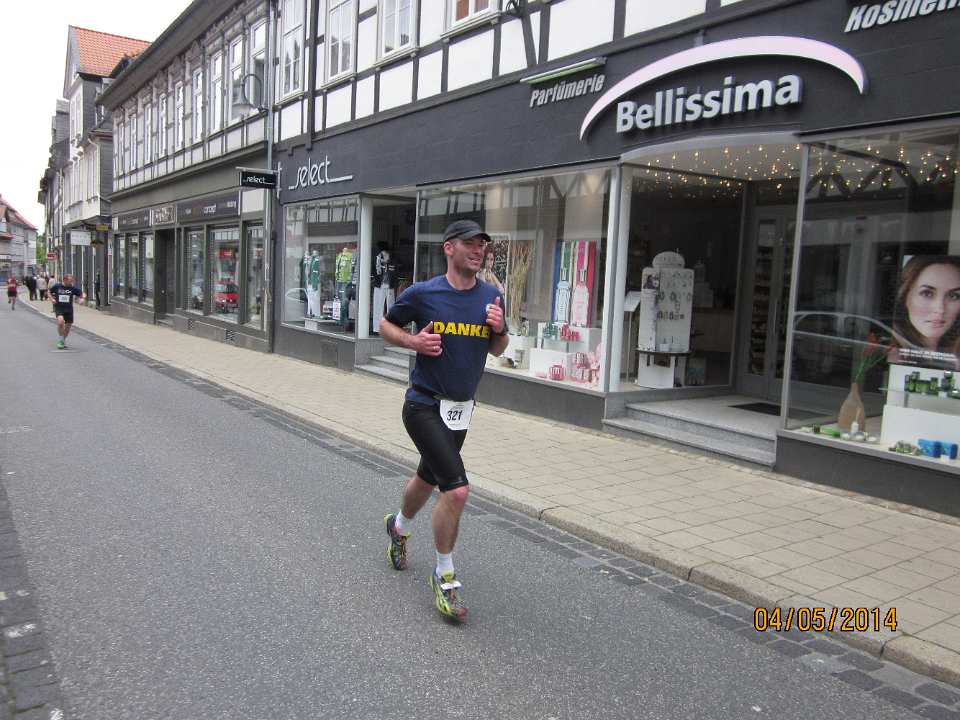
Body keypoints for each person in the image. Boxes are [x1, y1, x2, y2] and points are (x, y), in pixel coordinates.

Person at [379, 219, 508, 621]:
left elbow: (498, 348)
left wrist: (500, 330)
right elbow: (385, 325)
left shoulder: (491, 296)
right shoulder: (423, 292)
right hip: (423, 405)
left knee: (428, 478)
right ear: (449, 248)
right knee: (457, 490)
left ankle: (398, 527)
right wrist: (413, 341)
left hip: (460, 410)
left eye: (482, 244)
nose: (478, 250)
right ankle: (445, 576)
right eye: (470, 243)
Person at [892, 255, 960, 368]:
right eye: (927, 293)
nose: (940, 309)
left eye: (954, 296)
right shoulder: (892, 355)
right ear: (905, 297)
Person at [48, 273, 85, 349]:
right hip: (59, 308)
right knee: (60, 322)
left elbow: (82, 293)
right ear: (65, 280)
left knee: (67, 328)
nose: (71, 282)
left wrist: (82, 299)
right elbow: (49, 292)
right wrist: (52, 299)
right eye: (70, 281)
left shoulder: (72, 288)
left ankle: (63, 341)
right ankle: (61, 340)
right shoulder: (57, 286)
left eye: (72, 281)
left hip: (69, 309)